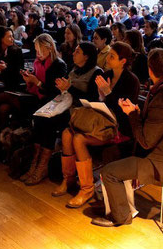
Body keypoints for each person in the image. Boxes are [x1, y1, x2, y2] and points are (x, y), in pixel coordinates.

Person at [91, 48, 163, 227]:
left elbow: (146, 141)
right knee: (110, 153)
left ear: (150, 70)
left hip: (162, 163)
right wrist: (136, 110)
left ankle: (121, 216)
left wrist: (132, 115)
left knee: (109, 172)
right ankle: (118, 204)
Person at [59, 42, 140, 208]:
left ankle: (87, 188)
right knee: (67, 134)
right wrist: (101, 97)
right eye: (108, 55)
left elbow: (125, 113)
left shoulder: (131, 81)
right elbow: (97, 102)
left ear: (123, 61)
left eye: (112, 56)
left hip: (119, 128)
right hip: (101, 122)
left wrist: (108, 94)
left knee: (79, 139)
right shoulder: (107, 74)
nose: (108, 58)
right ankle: (69, 179)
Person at [0, 34, 67, 168]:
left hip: (45, 102)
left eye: (40, 50)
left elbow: (52, 92)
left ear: (50, 48)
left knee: (0, 97)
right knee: (2, 109)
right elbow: (33, 85)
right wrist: (29, 80)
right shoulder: (38, 62)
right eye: (36, 50)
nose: (37, 54)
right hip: (33, 96)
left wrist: (36, 82)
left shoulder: (58, 65)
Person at [27, 42, 104, 187]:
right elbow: (65, 94)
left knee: (49, 122)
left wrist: (69, 88)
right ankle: (35, 163)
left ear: (86, 56)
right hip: (67, 107)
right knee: (39, 118)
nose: (73, 54)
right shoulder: (74, 70)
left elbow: (91, 100)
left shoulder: (96, 72)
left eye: (77, 52)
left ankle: (43, 167)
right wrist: (61, 89)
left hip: (82, 113)